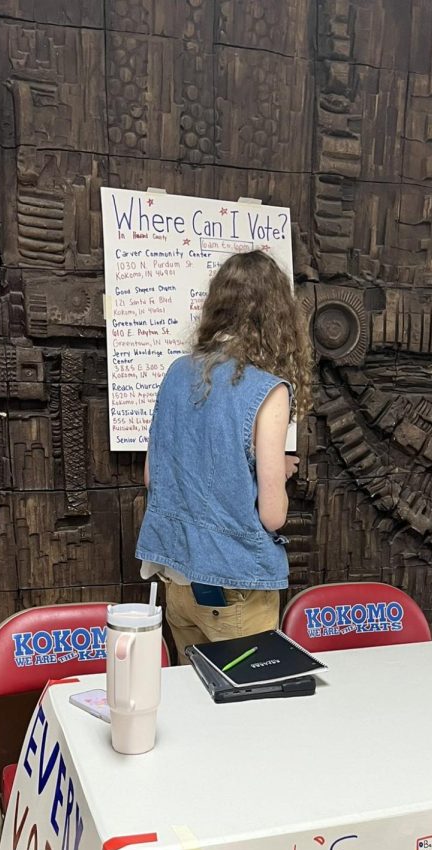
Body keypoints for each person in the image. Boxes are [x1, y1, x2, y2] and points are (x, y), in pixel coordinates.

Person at [136, 250, 314, 660]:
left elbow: (153, 477)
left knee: (198, 702)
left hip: (177, 579)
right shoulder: (269, 389)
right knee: (245, 714)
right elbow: (272, 516)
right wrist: (275, 478)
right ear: (278, 315)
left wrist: (264, 468)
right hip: (234, 585)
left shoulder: (177, 372)